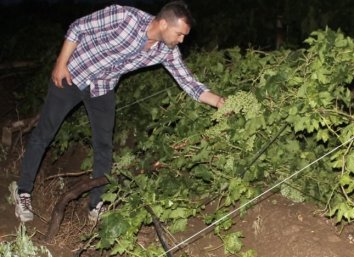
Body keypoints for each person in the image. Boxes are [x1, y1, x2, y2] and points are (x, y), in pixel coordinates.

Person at [13, 1, 224, 223]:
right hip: (72, 75)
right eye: (179, 34)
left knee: (104, 145)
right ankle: (23, 191)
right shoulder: (124, 17)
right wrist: (60, 63)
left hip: (102, 87)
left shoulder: (166, 51)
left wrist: (219, 101)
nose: (181, 40)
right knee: (44, 133)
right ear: (163, 24)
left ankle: (96, 205)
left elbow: (189, 83)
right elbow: (77, 28)